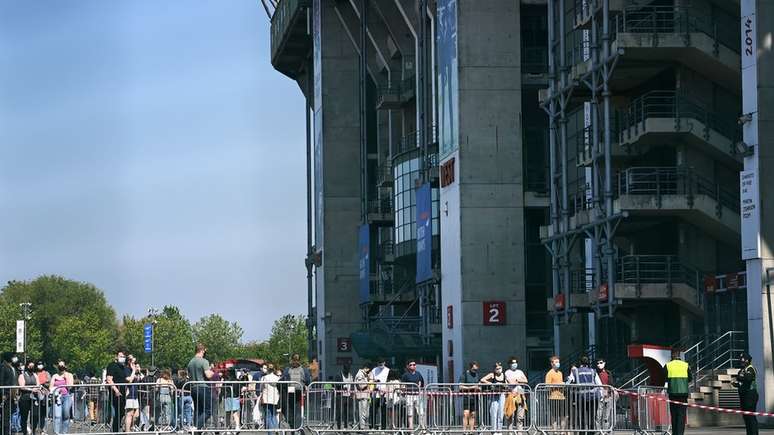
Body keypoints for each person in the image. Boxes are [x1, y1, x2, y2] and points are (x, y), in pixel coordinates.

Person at [566, 356, 601, 435]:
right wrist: (601, 396)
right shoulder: (593, 371)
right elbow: (599, 384)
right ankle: (591, 433)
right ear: (588, 362)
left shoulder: (575, 371)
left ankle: (582, 433)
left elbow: (568, 382)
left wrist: (567, 381)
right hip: (593, 397)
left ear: (580, 363)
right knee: (592, 417)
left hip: (581, 398)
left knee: (581, 417)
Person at [663, 349, 692, 435]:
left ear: (672, 355)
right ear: (679, 355)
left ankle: (675, 433)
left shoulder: (668, 365)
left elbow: (664, 378)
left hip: (673, 393)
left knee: (674, 415)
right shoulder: (686, 365)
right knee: (681, 416)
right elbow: (690, 378)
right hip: (683, 394)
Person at [187, 344, 214, 430]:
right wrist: (212, 371)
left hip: (193, 387)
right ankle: (196, 427)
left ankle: (195, 429)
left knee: (198, 410)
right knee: (208, 411)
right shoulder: (204, 361)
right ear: (202, 351)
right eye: (204, 351)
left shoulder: (190, 362)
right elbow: (208, 375)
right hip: (203, 387)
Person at [282, 354, 311, 431]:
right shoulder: (303, 370)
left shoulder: (288, 369)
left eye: (295, 360)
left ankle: (294, 428)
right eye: (295, 359)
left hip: (293, 392)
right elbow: (308, 381)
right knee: (296, 411)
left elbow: (283, 379)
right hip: (297, 392)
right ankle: (296, 428)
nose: (295, 361)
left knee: (293, 411)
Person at [733, 352, 758, 435]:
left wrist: (740, 377)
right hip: (744, 395)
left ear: (747, 360)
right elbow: (741, 380)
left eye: (743, 360)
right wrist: (736, 384)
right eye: (741, 360)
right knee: (746, 417)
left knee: (750, 417)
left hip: (750, 395)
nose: (741, 361)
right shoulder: (742, 370)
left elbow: (748, 378)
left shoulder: (750, 369)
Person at [481, 362, 507, 435]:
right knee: (494, 413)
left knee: (501, 413)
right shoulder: (492, 375)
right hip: (494, 395)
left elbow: (507, 384)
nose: (499, 370)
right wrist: (491, 384)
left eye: (500, 368)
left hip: (501, 394)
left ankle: (499, 430)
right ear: (494, 369)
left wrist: (504, 385)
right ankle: (494, 430)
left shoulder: (504, 375)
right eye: (497, 369)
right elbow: (482, 379)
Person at [106, 351, 129, 433]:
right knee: (117, 412)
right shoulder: (112, 365)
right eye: (121, 356)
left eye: (124, 356)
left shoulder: (123, 367)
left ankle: (116, 429)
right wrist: (116, 390)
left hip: (123, 392)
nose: (123, 358)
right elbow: (109, 379)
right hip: (115, 393)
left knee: (121, 412)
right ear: (116, 357)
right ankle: (114, 430)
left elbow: (126, 379)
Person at [504, 356, 528, 431]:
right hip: (511, 392)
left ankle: (520, 432)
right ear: (510, 364)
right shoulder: (507, 372)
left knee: (520, 415)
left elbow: (526, 380)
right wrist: (519, 381)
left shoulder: (520, 372)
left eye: (516, 362)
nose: (515, 364)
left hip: (520, 391)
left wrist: (517, 380)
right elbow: (511, 382)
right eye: (513, 363)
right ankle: (510, 432)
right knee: (511, 414)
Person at [50, 361, 74, 435]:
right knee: (57, 416)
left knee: (66, 415)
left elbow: (70, 387)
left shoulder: (69, 375)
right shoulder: (55, 376)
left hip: (66, 396)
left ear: (65, 366)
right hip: (57, 397)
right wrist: (56, 390)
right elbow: (50, 387)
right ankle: (56, 432)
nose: (61, 367)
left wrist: (66, 378)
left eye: (62, 365)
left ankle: (64, 432)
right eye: (59, 365)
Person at [400, 359, 425, 430]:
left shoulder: (418, 374)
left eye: (414, 365)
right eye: (411, 365)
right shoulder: (405, 375)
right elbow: (402, 385)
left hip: (417, 395)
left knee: (420, 411)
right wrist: (403, 391)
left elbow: (422, 383)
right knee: (410, 411)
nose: (413, 366)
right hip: (409, 395)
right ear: (407, 366)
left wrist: (420, 389)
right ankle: (410, 427)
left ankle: (423, 427)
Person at [18, 361, 41, 435]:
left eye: (33, 366)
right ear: (27, 366)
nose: (31, 367)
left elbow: (38, 384)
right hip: (25, 397)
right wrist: (31, 389)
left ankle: (33, 430)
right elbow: (22, 387)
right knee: (24, 416)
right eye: (30, 366)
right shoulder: (22, 375)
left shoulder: (35, 375)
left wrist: (37, 388)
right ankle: (25, 432)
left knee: (35, 415)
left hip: (34, 398)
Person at [459, 361, 481, 433]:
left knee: (473, 414)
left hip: (474, 397)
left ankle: (471, 431)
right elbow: (460, 386)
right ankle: (464, 431)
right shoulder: (465, 374)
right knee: (466, 414)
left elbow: (479, 384)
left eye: (476, 369)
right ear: (470, 368)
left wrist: (479, 388)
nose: (475, 371)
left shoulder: (477, 375)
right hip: (467, 396)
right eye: (474, 369)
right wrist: (471, 387)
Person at [545, 355, 566, 432]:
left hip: (561, 396)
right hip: (553, 397)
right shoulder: (549, 373)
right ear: (552, 363)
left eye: (558, 362)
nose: (558, 363)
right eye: (556, 362)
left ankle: (562, 431)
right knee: (554, 414)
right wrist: (558, 384)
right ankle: (555, 430)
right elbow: (547, 385)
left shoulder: (560, 373)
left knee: (563, 414)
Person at [123, 355, 143, 432]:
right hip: (129, 394)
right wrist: (134, 370)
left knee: (136, 414)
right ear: (129, 361)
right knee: (130, 413)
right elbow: (130, 380)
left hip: (135, 394)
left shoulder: (133, 370)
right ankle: (127, 431)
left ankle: (127, 426)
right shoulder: (126, 369)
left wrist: (138, 371)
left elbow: (141, 378)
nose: (134, 364)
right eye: (133, 362)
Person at [1, 353, 19, 435]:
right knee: (5, 416)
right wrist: (2, 394)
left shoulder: (13, 367)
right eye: (13, 356)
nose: (14, 358)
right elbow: (1, 381)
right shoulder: (3, 367)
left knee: (10, 415)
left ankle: (8, 431)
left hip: (12, 395)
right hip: (6, 395)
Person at [369, 358, 389, 430]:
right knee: (373, 410)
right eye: (379, 363)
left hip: (384, 393)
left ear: (384, 363)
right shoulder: (374, 370)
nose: (381, 365)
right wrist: (374, 382)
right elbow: (370, 379)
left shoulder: (387, 370)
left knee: (383, 411)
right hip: (375, 392)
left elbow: (389, 381)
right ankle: (372, 426)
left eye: (382, 363)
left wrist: (386, 389)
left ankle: (383, 427)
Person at [260, 364, 281, 435]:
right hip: (275, 398)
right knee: (274, 415)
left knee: (268, 416)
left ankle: (271, 433)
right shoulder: (277, 378)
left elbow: (261, 388)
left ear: (268, 370)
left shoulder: (264, 378)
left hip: (266, 398)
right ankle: (276, 429)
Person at [595, 358, 613, 431]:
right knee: (598, 416)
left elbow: (611, 384)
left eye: (601, 362)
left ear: (604, 363)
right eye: (597, 363)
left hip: (608, 396)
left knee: (606, 416)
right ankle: (598, 431)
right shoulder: (596, 373)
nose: (599, 364)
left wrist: (609, 392)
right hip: (599, 397)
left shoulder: (608, 373)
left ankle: (605, 431)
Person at [334, 364, 354, 429]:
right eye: (346, 369)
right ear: (344, 369)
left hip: (348, 396)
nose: (348, 371)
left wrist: (352, 393)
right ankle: (339, 427)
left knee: (347, 413)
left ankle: (345, 427)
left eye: (348, 369)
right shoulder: (339, 375)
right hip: (341, 396)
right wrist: (342, 386)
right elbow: (336, 385)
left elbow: (352, 384)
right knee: (340, 412)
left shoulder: (350, 375)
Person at [354, 362, 372, 431]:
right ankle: (362, 428)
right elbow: (360, 385)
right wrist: (369, 382)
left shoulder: (364, 374)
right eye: (369, 370)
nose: (369, 371)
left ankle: (363, 427)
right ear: (366, 368)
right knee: (362, 413)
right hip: (362, 396)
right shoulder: (360, 374)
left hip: (366, 396)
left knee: (366, 413)